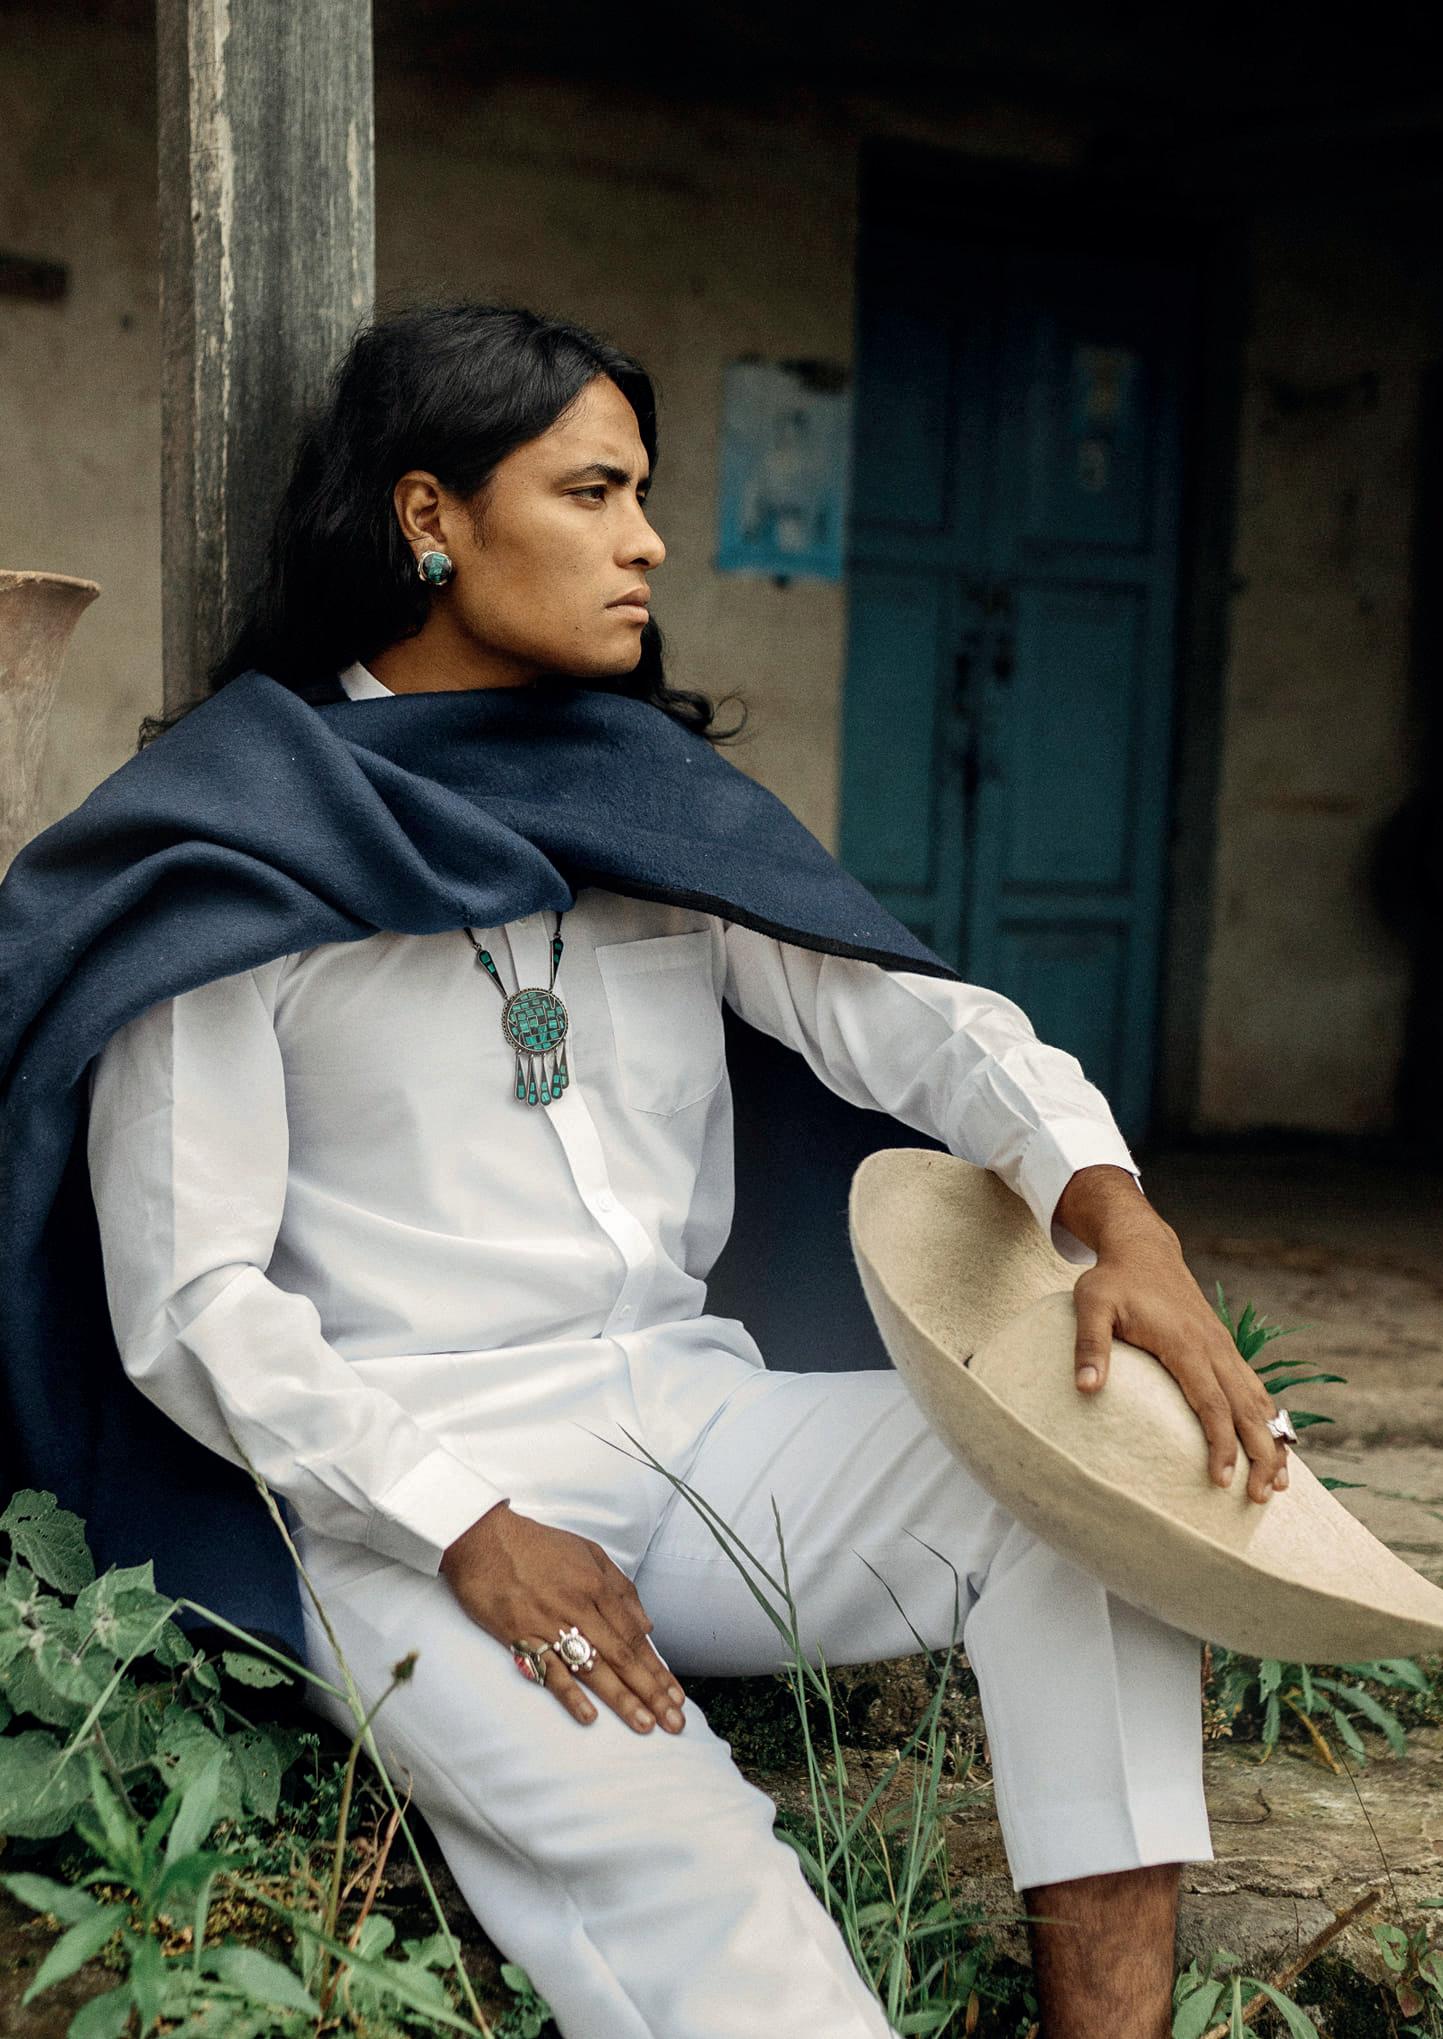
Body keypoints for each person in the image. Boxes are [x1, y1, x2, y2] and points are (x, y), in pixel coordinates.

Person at [82, 302, 1289, 2039]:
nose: (647, 540)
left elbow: (919, 1025)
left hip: (693, 1426)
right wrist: (468, 1526)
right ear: (430, 518)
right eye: (592, 493)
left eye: (642, 493)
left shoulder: (645, 802)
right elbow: (190, 1297)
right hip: (415, 1499)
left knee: (1103, 1497)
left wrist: (1116, 1212)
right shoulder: (237, 839)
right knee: (720, 1928)